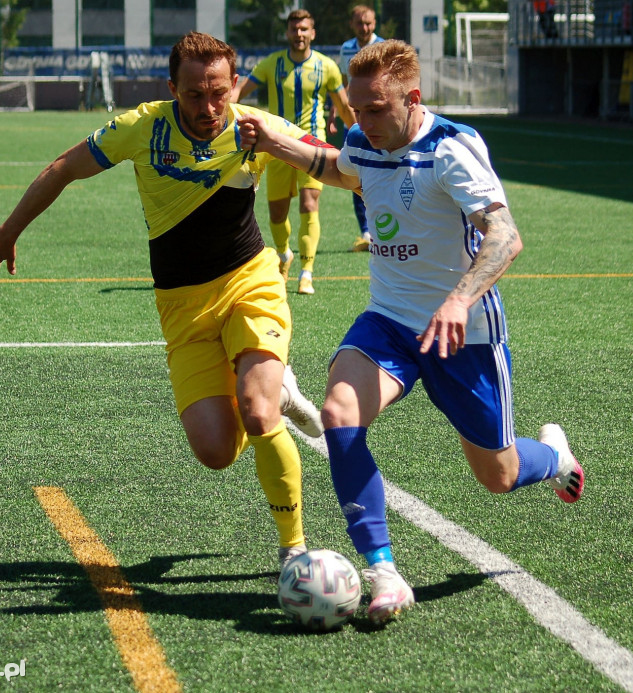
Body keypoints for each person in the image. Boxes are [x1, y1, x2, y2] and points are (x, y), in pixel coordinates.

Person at [238, 40, 584, 626]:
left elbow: (504, 237)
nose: (362, 123)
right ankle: (383, 573)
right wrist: (278, 145)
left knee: (495, 476)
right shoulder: (362, 139)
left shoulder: (452, 149)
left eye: (376, 110)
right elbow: (339, 169)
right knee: (340, 413)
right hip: (390, 320)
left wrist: (456, 300)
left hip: (463, 332)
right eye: (355, 109)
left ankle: (552, 457)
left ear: (412, 99)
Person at [0, 32, 326, 575]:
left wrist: (313, 154)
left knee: (257, 413)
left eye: (218, 93)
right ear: (171, 89)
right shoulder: (143, 127)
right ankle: (276, 385)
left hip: (250, 282)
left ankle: (294, 550)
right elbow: (65, 167)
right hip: (182, 306)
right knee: (215, 451)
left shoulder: (259, 127)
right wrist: (9, 231)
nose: (208, 108)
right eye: (193, 95)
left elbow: (337, 163)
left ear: (234, 85)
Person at [232, 10, 355, 296]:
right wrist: (228, 112)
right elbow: (240, 91)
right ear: (287, 33)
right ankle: (284, 254)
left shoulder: (327, 67)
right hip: (275, 145)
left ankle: (306, 271)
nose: (299, 34)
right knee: (277, 214)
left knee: (309, 205)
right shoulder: (271, 64)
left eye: (304, 29)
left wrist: (361, 138)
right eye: (294, 29)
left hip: (313, 144)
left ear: (313, 34)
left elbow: (345, 106)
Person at [339, 5, 385, 253]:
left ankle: (385, 229)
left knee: (384, 172)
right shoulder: (346, 48)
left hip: (379, 121)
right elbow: (344, 83)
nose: (364, 28)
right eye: (360, 23)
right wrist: (337, 107)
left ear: (374, 23)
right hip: (355, 120)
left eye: (368, 23)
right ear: (353, 24)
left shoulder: (384, 48)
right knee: (356, 173)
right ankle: (366, 232)